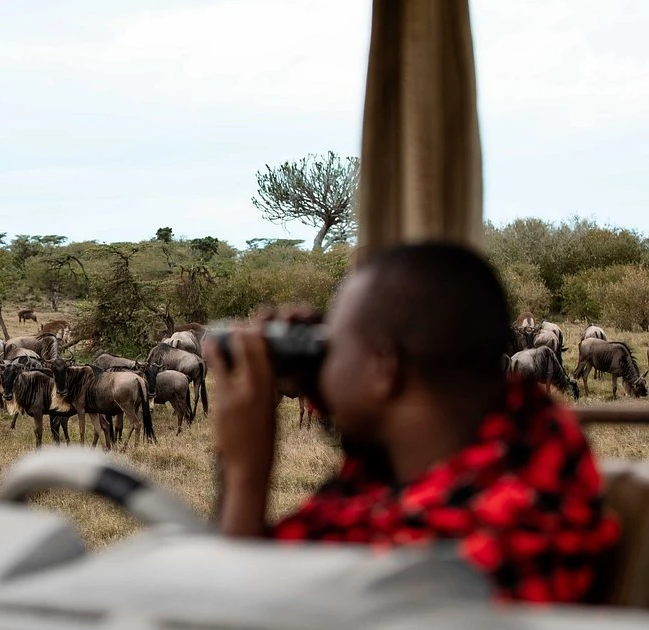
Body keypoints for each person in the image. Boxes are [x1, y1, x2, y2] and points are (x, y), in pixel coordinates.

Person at [205, 242, 619, 604]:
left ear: (386, 368)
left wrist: (244, 472)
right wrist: (341, 383)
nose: (326, 361)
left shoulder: (435, 561)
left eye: (335, 346)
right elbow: (396, 435)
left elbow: (236, 625)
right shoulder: (536, 445)